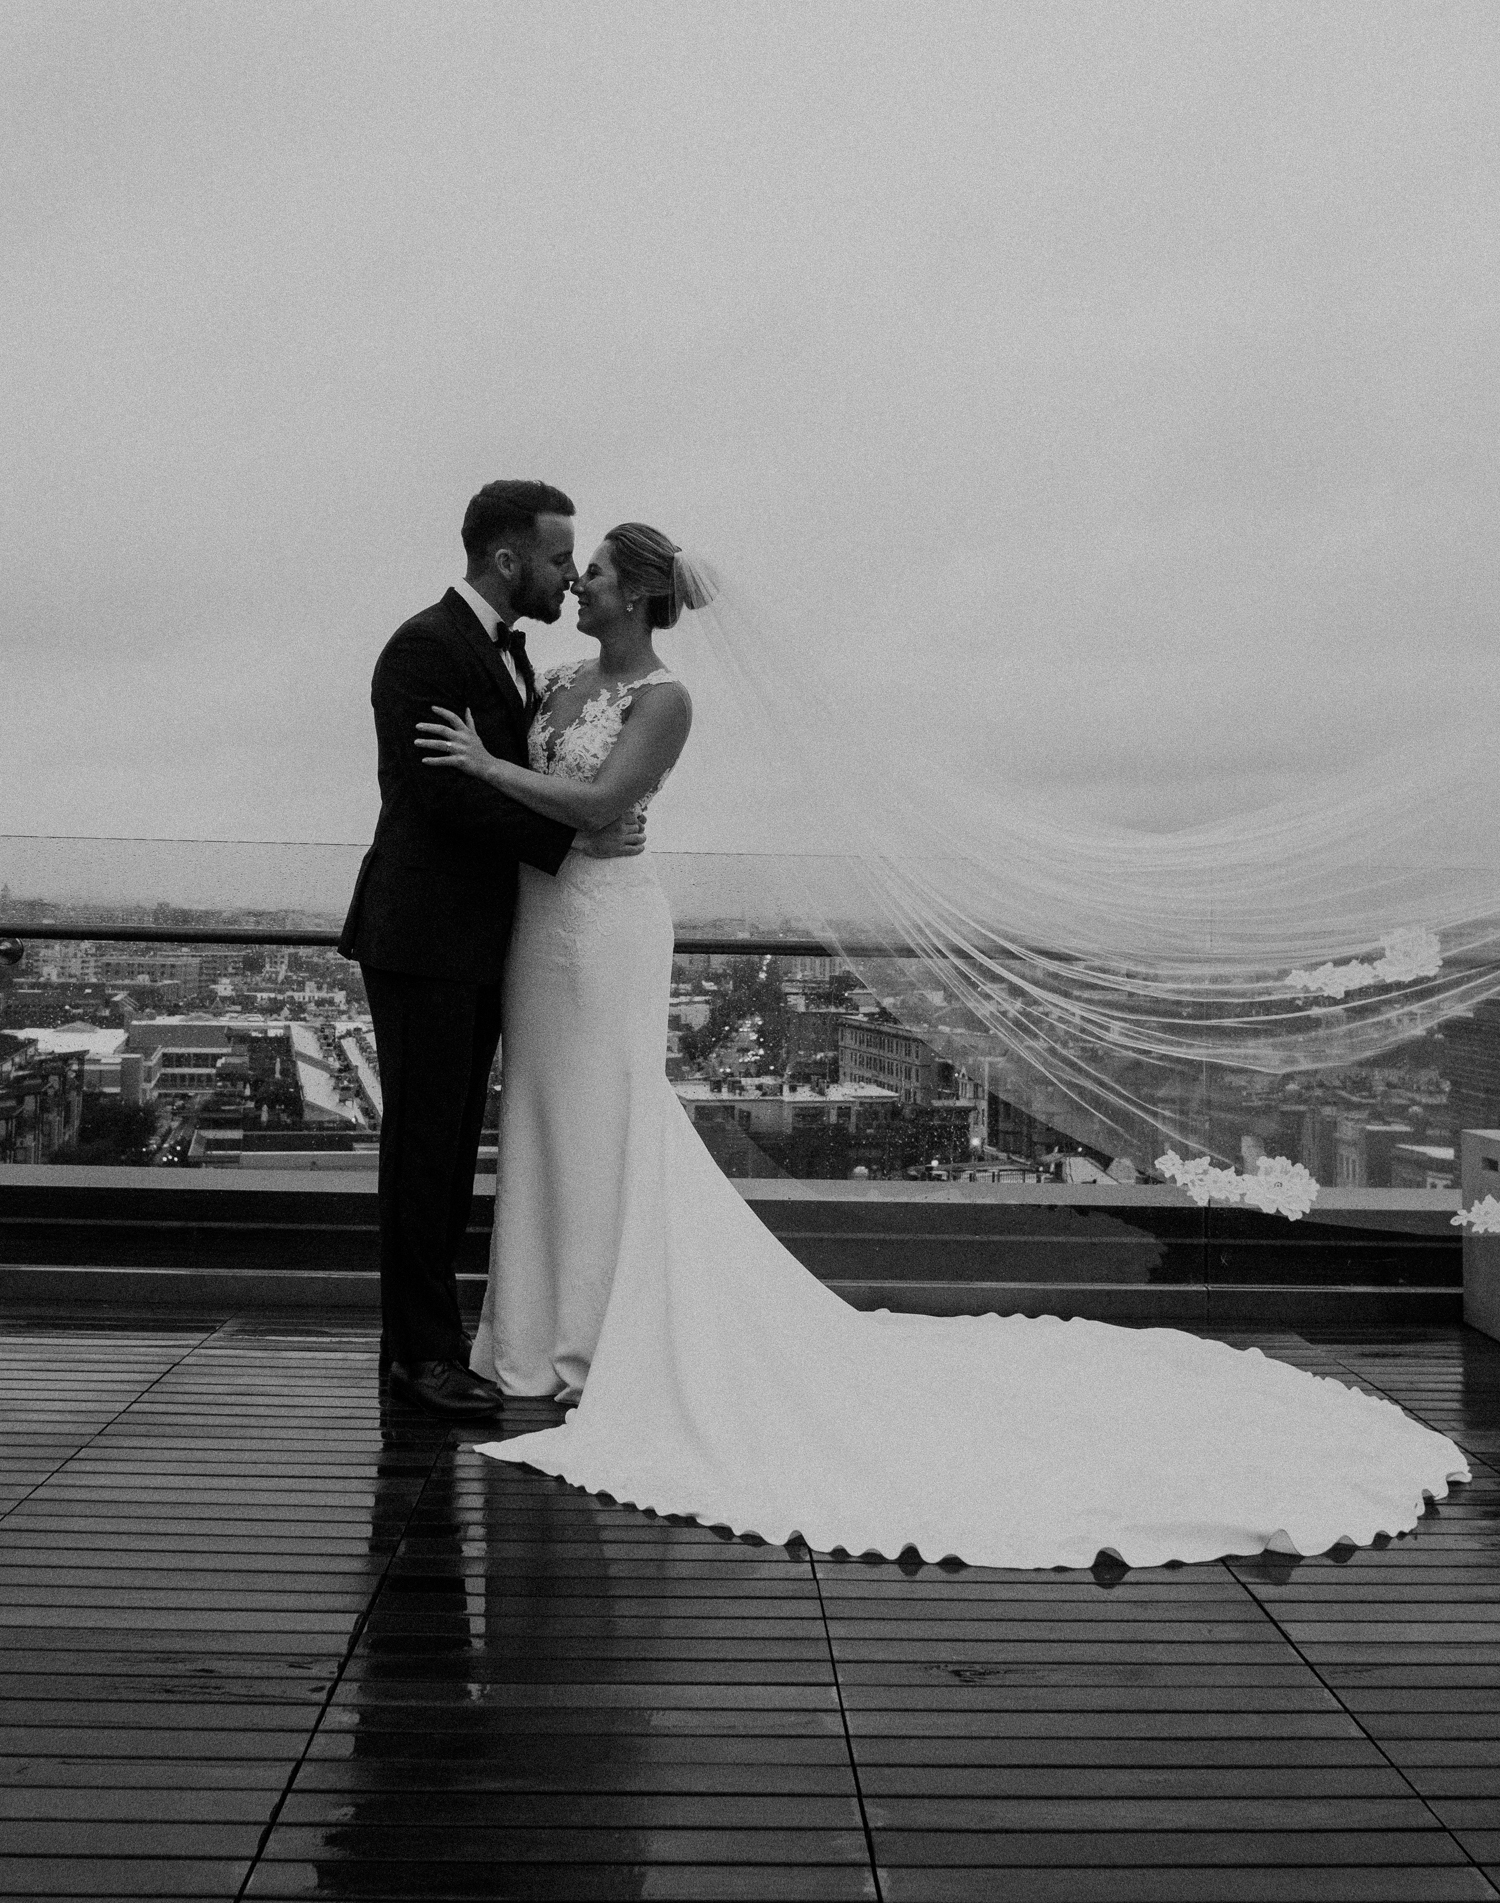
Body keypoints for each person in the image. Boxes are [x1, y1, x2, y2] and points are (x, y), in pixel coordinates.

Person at [415, 527, 1470, 1568]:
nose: (581, 582)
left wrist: (483, 770)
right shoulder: (552, 683)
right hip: (537, 930)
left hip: (608, 930)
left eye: (595, 570)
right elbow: (553, 803)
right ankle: (534, 1338)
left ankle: (597, 1343)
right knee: (545, 1117)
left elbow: (602, 807)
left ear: (640, 596)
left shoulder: (666, 700)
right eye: (578, 567)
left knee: (609, 1121)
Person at [339, 479, 646, 1422]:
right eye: (560, 558)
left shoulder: (517, 661)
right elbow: (440, 795)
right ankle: (419, 1359)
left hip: (479, 944)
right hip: (424, 938)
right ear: (509, 560)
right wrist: (574, 844)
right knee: (424, 1153)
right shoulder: (425, 648)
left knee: (446, 1148)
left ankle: (427, 1347)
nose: (568, 575)